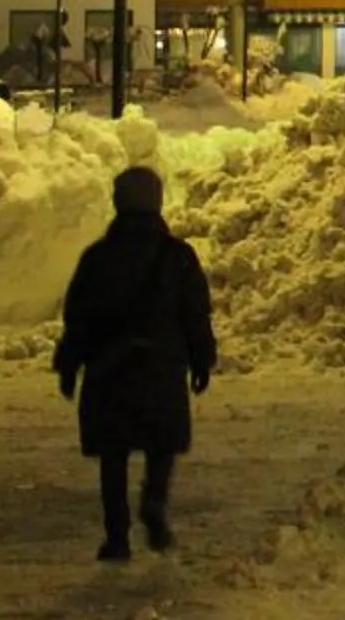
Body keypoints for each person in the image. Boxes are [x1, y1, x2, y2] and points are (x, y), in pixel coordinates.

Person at [53, 165, 217, 561]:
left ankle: (117, 535)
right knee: (161, 444)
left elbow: (79, 317)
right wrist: (201, 359)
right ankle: (154, 501)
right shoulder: (178, 257)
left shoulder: (98, 258)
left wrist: (69, 365)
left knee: (113, 454)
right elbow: (195, 312)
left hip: (110, 369)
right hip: (161, 366)